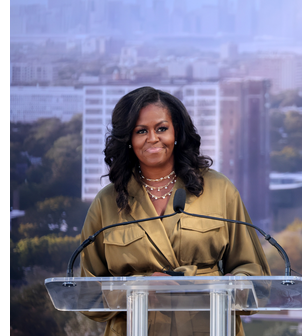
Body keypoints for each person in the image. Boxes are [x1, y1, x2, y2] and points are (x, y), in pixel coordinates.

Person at [79, 86, 270, 336]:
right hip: (135, 328)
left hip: (210, 326)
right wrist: (140, 290)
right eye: (140, 131)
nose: (153, 138)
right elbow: (86, 293)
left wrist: (220, 286)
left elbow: (255, 274)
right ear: (127, 140)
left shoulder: (218, 189)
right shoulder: (107, 202)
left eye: (161, 128)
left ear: (176, 132)